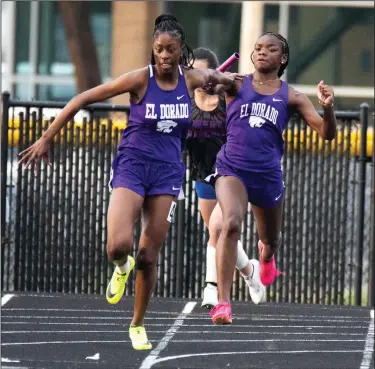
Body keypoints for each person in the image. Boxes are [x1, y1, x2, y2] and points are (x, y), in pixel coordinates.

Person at [18, 14, 240, 348]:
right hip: (132, 166)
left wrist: (235, 83)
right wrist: (48, 136)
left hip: (167, 172)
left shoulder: (192, 79)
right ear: (153, 49)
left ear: (181, 52)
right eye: (159, 49)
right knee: (117, 246)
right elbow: (84, 98)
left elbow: (231, 82)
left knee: (149, 255)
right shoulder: (140, 79)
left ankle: (137, 323)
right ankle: (122, 267)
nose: (164, 56)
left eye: (171, 50)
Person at [205, 32, 337, 324]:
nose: (262, 52)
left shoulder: (292, 96)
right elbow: (211, 81)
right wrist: (210, 79)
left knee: (270, 239)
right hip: (232, 169)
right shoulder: (236, 82)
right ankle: (223, 303)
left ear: (283, 58)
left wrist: (328, 108)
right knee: (230, 223)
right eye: (258, 48)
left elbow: (326, 134)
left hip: (266, 176)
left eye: (270, 48)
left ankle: (266, 259)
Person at [186, 47, 266, 308]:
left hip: (231, 172)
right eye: (194, 72)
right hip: (203, 175)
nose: (200, 78)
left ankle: (211, 287)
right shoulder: (184, 101)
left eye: (204, 71)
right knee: (217, 232)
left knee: (218, 228)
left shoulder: (229, 98)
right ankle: (249, 272)